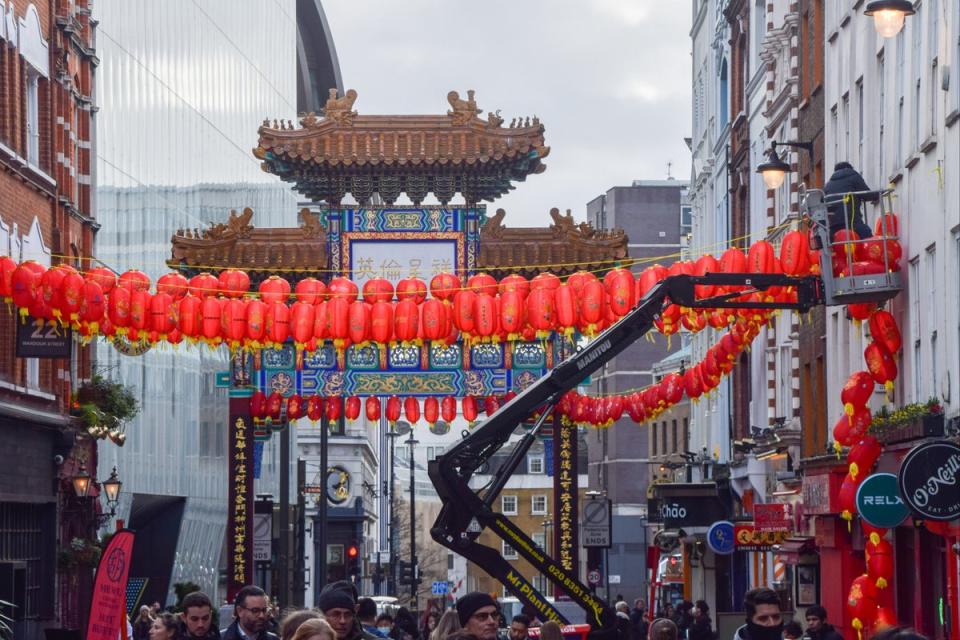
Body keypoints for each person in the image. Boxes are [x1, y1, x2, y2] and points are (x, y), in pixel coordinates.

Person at [822, 162, 875, 240]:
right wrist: (878, 195)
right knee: (867, 236)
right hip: (852, 223)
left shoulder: (828, 185)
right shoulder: (854, 176)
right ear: (849, 169)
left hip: (833, 227)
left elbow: (822, 202)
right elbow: (867, 194)